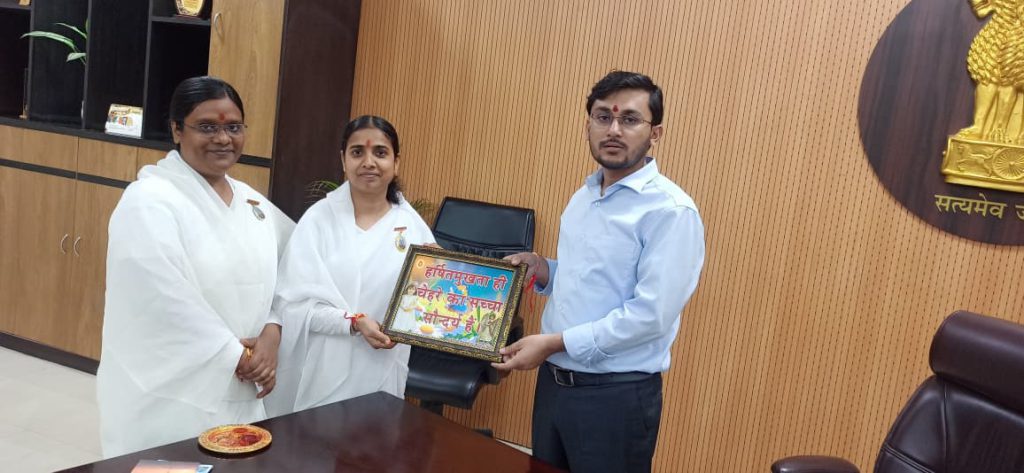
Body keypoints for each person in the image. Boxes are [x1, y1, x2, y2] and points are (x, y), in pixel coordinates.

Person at [494, 71, 705, 472]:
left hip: (615, 399)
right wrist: (543, 270)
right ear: (588, 125)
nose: (614, 129)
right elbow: (589, 278)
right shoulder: (584, 196)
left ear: (655, 133)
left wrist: (554, 343)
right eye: (603, 117)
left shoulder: (671, 212)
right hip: (554, 387)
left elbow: (650, 316)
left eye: (630, 119)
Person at [96, 76, 295, 457]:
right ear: (176, 130)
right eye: (206, 127)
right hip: (172, 393)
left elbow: (293, 269)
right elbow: (160, 297)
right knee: (175, 465)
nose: (223, 139)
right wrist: (235, 356)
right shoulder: (149, 200)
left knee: (234, 461)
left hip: (243, 383)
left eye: (233, 127)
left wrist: (272, 331)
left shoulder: (252, 204)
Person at [265, 115, 435, 416]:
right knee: (321, 441)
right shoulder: (318, 220)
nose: (369, 162)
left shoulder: (412, 227)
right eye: (358, 152)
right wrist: (353, 323)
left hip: (383, 366)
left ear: (396, 163)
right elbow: (292, 307)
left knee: (377, 439)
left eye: (380, 152)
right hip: (325, 367)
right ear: (343, 161)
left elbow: (434, 304)